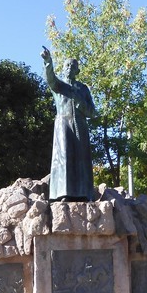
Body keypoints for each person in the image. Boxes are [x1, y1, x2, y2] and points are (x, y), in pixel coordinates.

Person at [41, 46, 97, 202]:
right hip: (63, 125)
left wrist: (80, 103)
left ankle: (84, 193)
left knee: (82, 159)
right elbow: (50, 79)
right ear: (63, 68)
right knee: (64, 157)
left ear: (77, 71)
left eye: (73, 66)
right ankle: (63, 193)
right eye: (67, 65)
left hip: (80, 126)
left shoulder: (83, 89)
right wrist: (48, 62)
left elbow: (92, 112)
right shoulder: (59, 86)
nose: (69, 68)